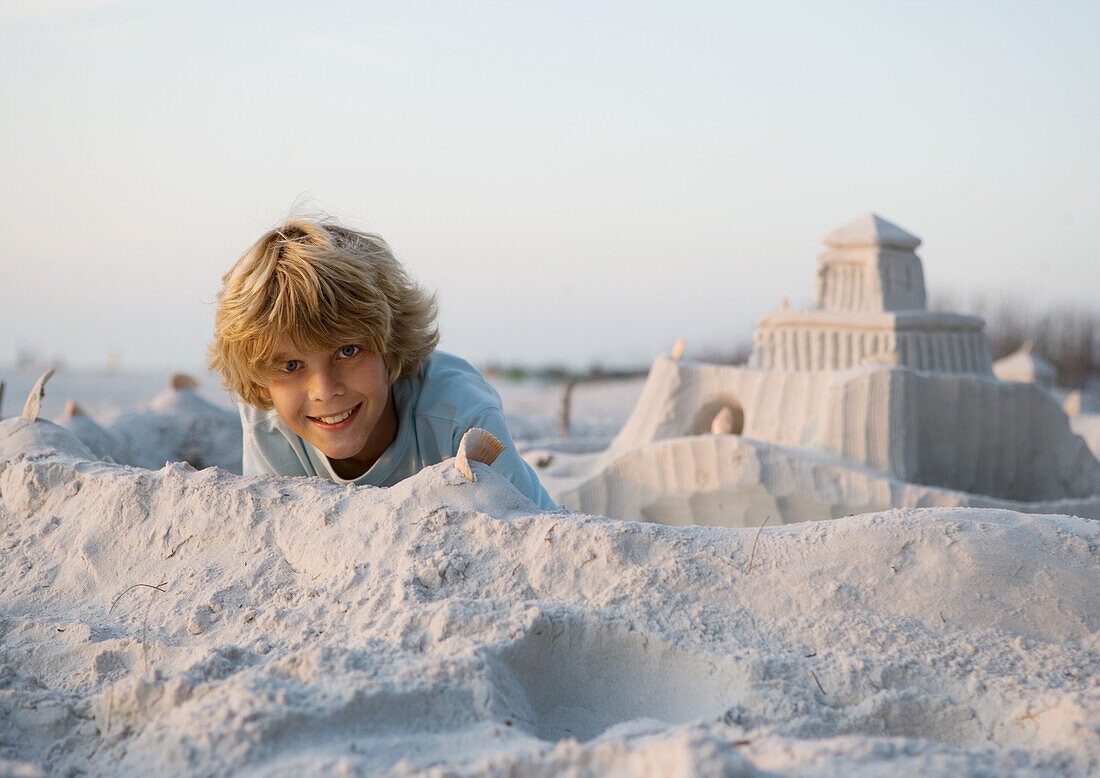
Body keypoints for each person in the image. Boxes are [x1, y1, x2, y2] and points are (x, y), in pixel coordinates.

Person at [207, 217, 556, 509]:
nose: (325, 391)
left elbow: (529, 537)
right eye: (291, 366)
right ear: (259, 383)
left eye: (347, 351)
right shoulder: (268, 424)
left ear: (392, 347)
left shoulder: (460, 416)